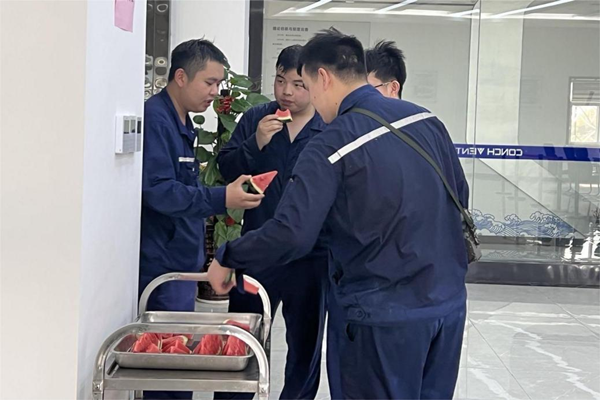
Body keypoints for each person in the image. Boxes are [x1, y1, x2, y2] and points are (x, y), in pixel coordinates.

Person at [207, 28, 469, 399]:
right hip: (446, 308)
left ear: (323, 78)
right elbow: (459, 196)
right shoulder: (425, 120)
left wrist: (229, 256)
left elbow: (292, 234)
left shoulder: (331, 142)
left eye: (308, 87)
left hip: (379, 317)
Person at [139, 39, 263, 400]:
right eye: (209, 82)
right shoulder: (157, 120)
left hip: (181, 262)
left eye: (219, 84)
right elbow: (160, 192)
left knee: (179, 370)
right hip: (162, 267)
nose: (214, 92)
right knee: (168, 376)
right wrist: (222, 197)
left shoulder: (183, 121)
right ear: (181, 77)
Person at [215, 45, 328, 400]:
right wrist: (257, 142)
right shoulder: (256, 117)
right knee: (242, 338)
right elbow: (226, 168)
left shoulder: (328, 126)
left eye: (298, 84)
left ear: (315, 84)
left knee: (305, 346)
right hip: (256, 251)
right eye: (280, 81)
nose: (287, 92)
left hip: (310, 257)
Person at [327, 39, 409, 399]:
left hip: (392, 294)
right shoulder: (347, 136)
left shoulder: (419, 134)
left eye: (368, 89)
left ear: (392, 88)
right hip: (351, 282)